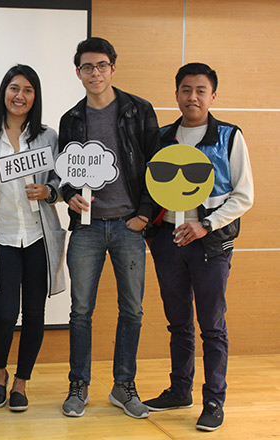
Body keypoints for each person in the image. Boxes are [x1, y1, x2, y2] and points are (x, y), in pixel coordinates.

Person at [142, 63, 254, 432]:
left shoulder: (229, 136)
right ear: (176, 94)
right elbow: (150, 191)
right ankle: (179, 390)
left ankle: (214, 400)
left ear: (213, 96)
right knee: (178, 323)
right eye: (186, 90)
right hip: (168, 241)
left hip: (211, 245)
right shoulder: (161, 137)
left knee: (212, 326)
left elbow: (243, 196)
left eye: (200, 91)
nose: (193, 97)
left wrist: (205, 225)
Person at [58, 37, 160, 419]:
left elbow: (157, 166)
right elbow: (65, 173)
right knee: (80, 310)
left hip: (128, 226)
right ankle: (78, 385)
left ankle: (123, 385)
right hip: (85, 228)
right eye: (87, 67)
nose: (94, 73)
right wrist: (69, 194)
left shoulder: (138, 110)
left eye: (101, 65)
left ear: (113, 68)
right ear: (78, 72)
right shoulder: (72, 119)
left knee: (132, 309)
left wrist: (145, 214)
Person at [0, 65, 66, 412]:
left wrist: (50, 191)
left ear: (35, 96)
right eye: (13, 88)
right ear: (3, 92)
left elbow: (62, 183)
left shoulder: (48, 137)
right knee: (6, 314)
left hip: (38, 235)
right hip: (2, 235)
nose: (19, 96)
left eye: (27, 90)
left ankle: (22, 382)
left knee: (35, 315)